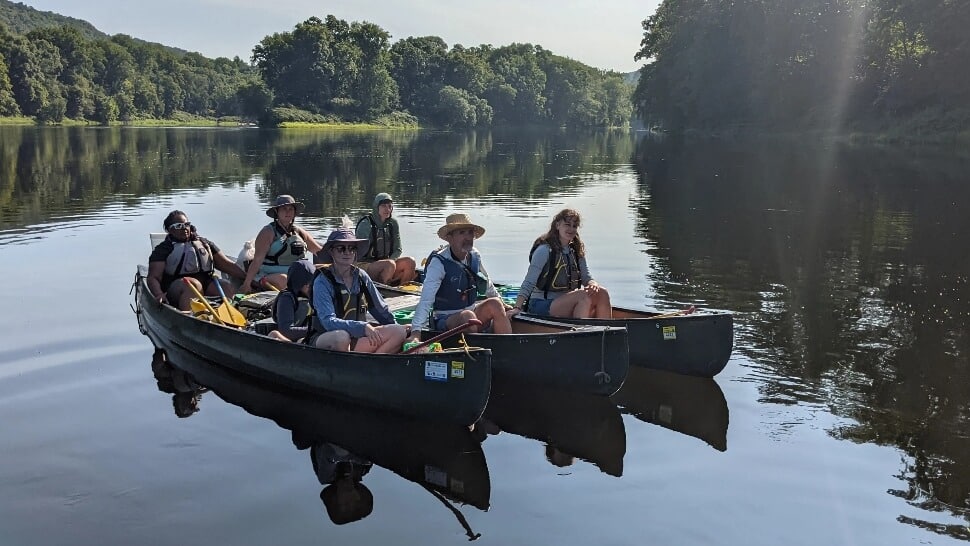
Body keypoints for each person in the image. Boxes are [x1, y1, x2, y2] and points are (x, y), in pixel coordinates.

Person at [410, 212, 517, 336]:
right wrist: (416, 332)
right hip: (446, 319)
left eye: (470, 233)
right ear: (450, 238)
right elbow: (426, 300)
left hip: (472, 313)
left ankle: (506, 345)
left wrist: (503, 304)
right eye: (462, 233)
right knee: (468, 317)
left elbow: (487, 284)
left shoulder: (475, 255)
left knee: (495, 304)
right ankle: (479, 346)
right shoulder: (438, 263)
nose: (468, 237)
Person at [307, 227, 408, 353]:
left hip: (356, 337)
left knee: (399, 331)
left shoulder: (361, 276)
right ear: (331, 252)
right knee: (341, 337)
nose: (347, 253)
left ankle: (373, 364)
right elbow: (328, 322)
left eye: (351, 248)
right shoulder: (322, 281)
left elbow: (380, 309)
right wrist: (363, 327)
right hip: (327, 338)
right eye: (341, 248)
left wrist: (398, 326)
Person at [513, 208, 612, 319]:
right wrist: (517, 307)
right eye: (567, 224)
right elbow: (529, 282)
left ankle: (607, 330)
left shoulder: (576, 250)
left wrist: (593, 284)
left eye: (574, 226)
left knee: (602, 292)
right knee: (583, 297)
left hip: (567, 301)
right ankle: (579, 333)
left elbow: (586, 277)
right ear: (557, 225)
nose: (571, 229)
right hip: (541, 304)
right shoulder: (544, 250)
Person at [147, 210, 248, 311]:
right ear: (170, 230)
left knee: (225, 286)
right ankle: (191, 319)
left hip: (206, 283)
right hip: (177, 287)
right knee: (192, 285)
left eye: (186, 224)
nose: (185, 228)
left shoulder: (204, 243)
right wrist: (159, 294)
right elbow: (153, 277)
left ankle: (230, 317)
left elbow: (227, 265)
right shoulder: (163, 249)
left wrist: (249, 280)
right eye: (179, 226)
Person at [241, 195, 323, 293]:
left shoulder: (299, 232)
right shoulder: (268, 232)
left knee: (324, 270)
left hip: (296, 274)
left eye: (291, 209)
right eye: (284, 209)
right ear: (277, 212)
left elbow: (319, 251)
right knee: (283, 280)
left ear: (294, 212)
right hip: (269, 276)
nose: (288, 212)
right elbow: (257, 260)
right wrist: (247, 284)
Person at [354, 192, 417, 285]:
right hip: (364, 264)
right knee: (389, 265)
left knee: (410, 262)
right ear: (376, 207)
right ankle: (385, 288)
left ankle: (402, 290)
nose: (387, 209)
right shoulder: (366, 224)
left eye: (390, 206)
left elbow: (398, 249)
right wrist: (387, 263)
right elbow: (357, 251)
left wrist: (391, 261)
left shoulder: (393, 223)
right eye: (383, 206)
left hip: (387, 264)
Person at [267, 259, 316, 342]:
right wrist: (315, 330)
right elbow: (286, 331)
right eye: (307, 285)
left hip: (309, 336)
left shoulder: (318, 296)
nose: (312, 288)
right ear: (297, 283)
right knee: (277, 335)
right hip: (290, 338)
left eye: (314, 283)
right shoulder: (287, 298)